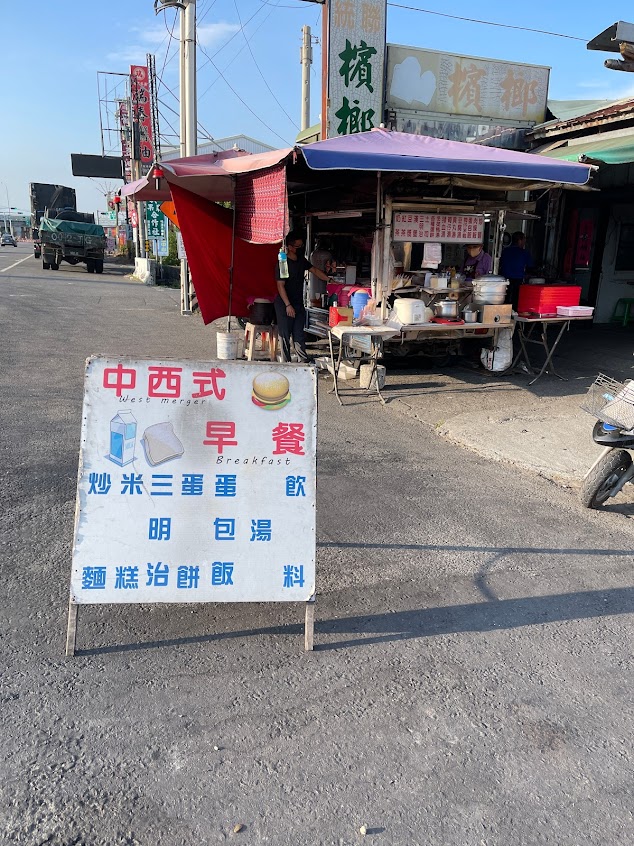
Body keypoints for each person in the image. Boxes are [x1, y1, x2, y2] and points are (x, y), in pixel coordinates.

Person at [274, 231, 331, 362]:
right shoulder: (283, 263)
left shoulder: (301, 260)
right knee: (285, 336)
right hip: (284, 304)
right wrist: (288, 305)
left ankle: (303, 362)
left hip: (298, 303)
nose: (299, 249)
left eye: (301, 246)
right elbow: (280, 285)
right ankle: (286, 363)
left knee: (299, 334)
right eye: (297, 246)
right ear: (289, 246)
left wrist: (329, 280)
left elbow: (315, 271)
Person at [500, 232, 533, 310]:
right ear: (519, 240)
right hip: (517, 280)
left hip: (504, 280)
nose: (525, 242)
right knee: (516, 300)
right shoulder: (524, 253)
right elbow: (531, 267)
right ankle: (513, 315)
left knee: (505, 299)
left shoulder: (505, 251)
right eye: (524, 239)